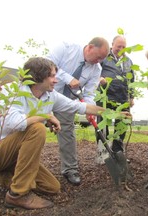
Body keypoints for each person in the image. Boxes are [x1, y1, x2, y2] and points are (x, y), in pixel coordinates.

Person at [0, 57, 107, 210]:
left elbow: (78, 107)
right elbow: (16, 123)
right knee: (36, 129)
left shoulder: (49, 96)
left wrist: (113, 113)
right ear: (38, 77)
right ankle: (17, 195)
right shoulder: (14, 90)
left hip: (13, 156)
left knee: (52, 187)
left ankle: (2, 175)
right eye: (52, 76)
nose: (56, 80)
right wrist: (46, 117)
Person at [47, 37, 109, 185]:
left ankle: (70, 169)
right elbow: (46, 64)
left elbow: (89, 93)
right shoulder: (66, 47)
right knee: (30, 127)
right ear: (89, 48)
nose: (99, 61)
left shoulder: (96, 69)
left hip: (67, 101)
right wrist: (67, 78)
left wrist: (90, 109)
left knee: (67, 132)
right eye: (98, 57)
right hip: (44, 94)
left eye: (102, 59)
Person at [96, 35, 134, 162]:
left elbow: (131, 79)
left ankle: (118, 152)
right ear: (112, 45)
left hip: (122, 98)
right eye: (119, 46)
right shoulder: (104, 58)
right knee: (103, 124)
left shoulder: (128, 61)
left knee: (122, 125)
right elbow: (94, 71)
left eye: (124, 47)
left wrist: (131, 97)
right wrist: (99, 79)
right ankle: (103, 153)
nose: (121, 49)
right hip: (105, 96)